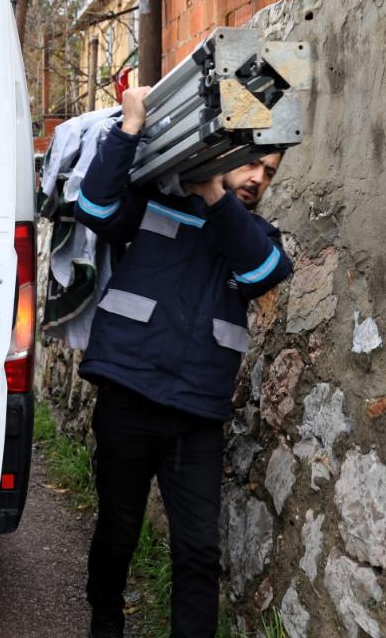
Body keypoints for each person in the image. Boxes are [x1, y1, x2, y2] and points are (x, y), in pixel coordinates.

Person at [75, 86, 293, 637]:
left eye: (269, 173)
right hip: (128, 392)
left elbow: (265, 273)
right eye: (253, 165)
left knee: (198, 550)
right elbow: (95, 207)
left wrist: (216, 195)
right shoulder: (152, 200)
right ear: (224, 147)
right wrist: (129, 125)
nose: (258, 181)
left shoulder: (255, 236)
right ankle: (105, 616)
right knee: (120, 530)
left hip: (196, 413)